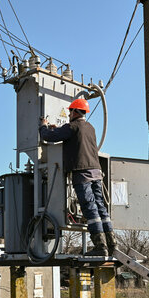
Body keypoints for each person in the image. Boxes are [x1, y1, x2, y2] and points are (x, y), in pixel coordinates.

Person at [39, 98, 116, 256]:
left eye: (69, 111)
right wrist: (59, 129)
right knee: (101, 208)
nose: (68, 114)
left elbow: (48, 136)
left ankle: (100, 247)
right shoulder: (90, 127)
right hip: (96, 172)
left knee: (90, 209)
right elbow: (75, 137)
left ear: (75, 111)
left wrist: (44, 126)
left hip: (82, 174)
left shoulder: (72, 126)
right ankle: (111, 244)